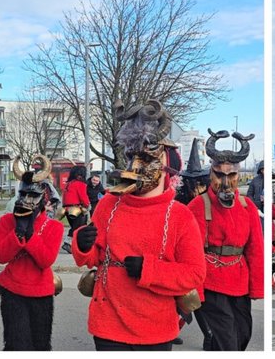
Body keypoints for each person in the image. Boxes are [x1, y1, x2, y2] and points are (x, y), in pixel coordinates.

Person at [70, 100, 206, 349]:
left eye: (145, 159)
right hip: (108, 324)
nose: (134, 167)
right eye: (132, 157)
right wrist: (82, 243)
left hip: (156, 330)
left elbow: (194, 274)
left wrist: (149, 270)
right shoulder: (109, 204)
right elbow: (91, 258)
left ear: (166, 166)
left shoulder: (180, 215)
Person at [187, 132, 262, 350]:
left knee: (242, 335)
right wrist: (196, 292)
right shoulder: (198, 206)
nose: (226, 182)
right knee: (225, 342)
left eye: (232, 175)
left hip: (239, 282)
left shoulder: (247, 206)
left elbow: (256, 249)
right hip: (210, 284)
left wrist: (256, 287)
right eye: (219, 175)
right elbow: (190, 255)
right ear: (211, 173)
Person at [0, 164, 63, 349]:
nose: (26, 200)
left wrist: (31, 235)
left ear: (44, 198)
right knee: (16, 344)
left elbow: (45, 260)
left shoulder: (54, 227)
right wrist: (17, 232)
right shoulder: (6, 221)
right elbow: (0, 256)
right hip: (13, 292)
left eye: (33, 196)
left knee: (40, 345)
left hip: (41, 293)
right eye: (23, 194)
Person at [61, 165, 92, 246]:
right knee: (79, 227)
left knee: (75, 227)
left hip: (66, 209)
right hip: (76, 208)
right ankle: (69, 243)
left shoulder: (68, 184)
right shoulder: (80, 184)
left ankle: (72, 243)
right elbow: (83, 197)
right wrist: (88, 205)